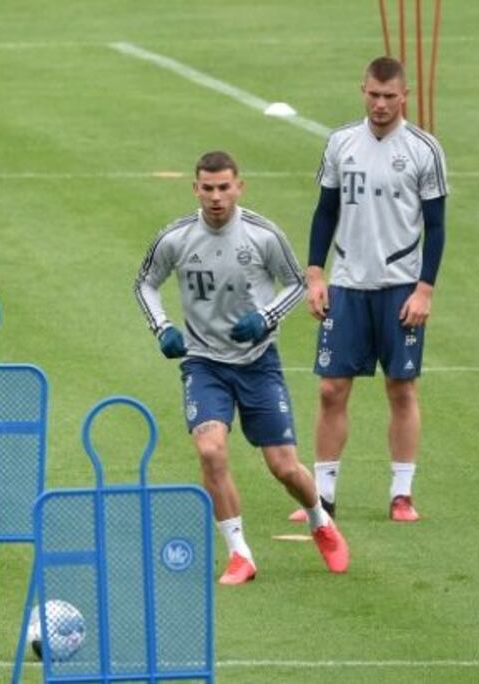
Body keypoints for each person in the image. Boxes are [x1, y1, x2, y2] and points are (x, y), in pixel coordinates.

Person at [134, 151, 349, 585]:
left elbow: (297, 284)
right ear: (195, 189)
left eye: (224, 187)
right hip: (203, 363)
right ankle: (240, 554)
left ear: (239, 187)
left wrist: (266, 319)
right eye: (208, 188)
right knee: (210, 450)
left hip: (257, 364)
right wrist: (161, 328)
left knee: (284, 467)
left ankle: (319, 522)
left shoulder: (262, 234)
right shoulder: (175, 238)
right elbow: (145, 283)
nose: (216, 197)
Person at [293, 56, 448, 524]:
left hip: (400, 286)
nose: (380, 105)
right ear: (363, 90)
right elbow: (325, 212)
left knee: (401, 388)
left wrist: (425, 291)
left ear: (405, 96)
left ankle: (401, 494)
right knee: (330, 389)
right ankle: (322, 496)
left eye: (389, 96)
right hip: (347, 284)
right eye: (373, 95)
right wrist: (316, 274)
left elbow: (437, 227)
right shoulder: (341, 142)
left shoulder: (424, 149)